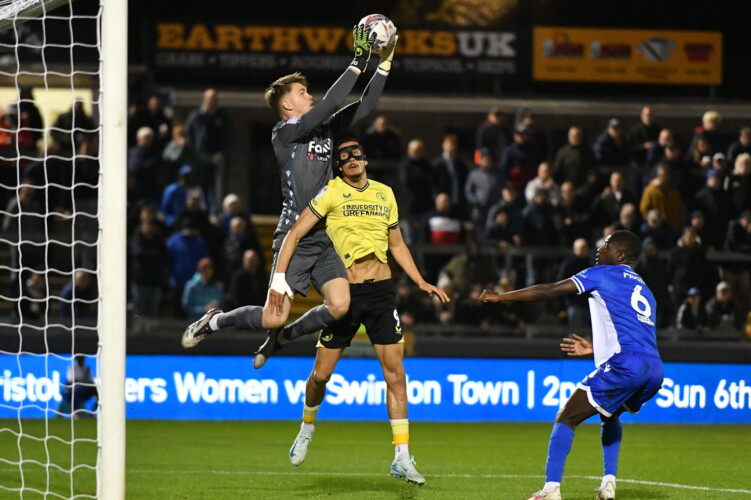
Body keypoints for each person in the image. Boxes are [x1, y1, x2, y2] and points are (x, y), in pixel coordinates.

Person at [181, 26, 398, 366]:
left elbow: (367, 104)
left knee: (340, 306)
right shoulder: (283, 133)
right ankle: (216, 320)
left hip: (326, 236)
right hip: (294, 237)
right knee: (273, 317)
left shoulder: (326, 127)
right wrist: (358, 61)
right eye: (302, 92)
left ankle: (282, 338)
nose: (310, 96)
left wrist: (384, 62)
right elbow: (330, 103)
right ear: (286, 104)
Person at [267, 137, 449, 483]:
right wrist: (279, 278)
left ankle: (402, 456)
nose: (351, 159)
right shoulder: (331, 192)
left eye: (356, 154)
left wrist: (420, 280)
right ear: (338, 166)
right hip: (345, 295)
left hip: (381, 294)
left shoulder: (385, 194)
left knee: (396, 374)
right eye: (344, 157)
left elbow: (397, 243)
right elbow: (295, 232)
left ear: (365, 160)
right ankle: (307, 427)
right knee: (321, 376)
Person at [480, 230, 664, 500]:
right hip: (654, 369)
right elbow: (635, 333)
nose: (600, 249)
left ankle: (550, 490)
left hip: (626, 365)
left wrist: (501, 297)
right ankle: (609, 484)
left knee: (566, 417)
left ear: (620, 255)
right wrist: (597, 348)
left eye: (607, 245)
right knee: (610, 414)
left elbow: (549, 290)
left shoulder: (601, 273)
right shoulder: (645, 290)